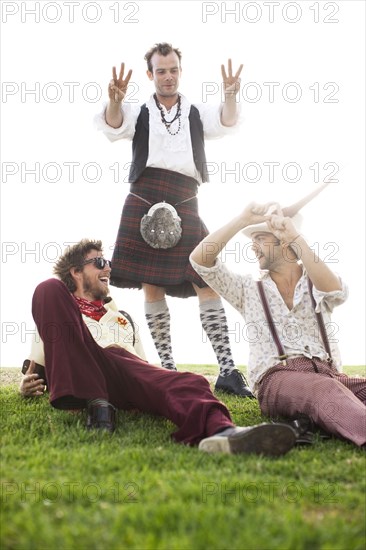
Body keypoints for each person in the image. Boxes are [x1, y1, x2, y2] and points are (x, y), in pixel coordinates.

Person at [19, 239, 297, 456]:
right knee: (47, 288)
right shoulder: (58, 309)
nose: (108, 268)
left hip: (120, 373)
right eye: (99, 262)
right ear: (76, 271)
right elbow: (38, 368)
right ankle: (95, 403)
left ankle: (224, 433)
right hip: (82, 377)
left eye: (108, 262)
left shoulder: (122, 319)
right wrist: (25, 385)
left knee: (189, 381)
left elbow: (142, 370)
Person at [94, 42, 253, 398]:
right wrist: (116, 100)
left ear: (181, 71)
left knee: (205, 276)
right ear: (150, 75)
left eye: (173, 70)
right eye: (161, 71)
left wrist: (229, 94)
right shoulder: (139, 112)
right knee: (153, 283)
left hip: (186, 197)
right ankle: (167, 369)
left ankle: (227, 370)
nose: (168, 76)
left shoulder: (195, 112)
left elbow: (227, 121)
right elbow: (114, 125)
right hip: (145, 193)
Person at [190, 202, 366, 448]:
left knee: (339, 388)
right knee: (323, 390)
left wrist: (295, 237)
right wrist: (242, 219)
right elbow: (200, 260)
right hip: (277, 379)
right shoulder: (247, 289)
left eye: (260, 238)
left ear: (284, 242)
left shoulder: (315, 280)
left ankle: (322, 420)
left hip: (329, 374)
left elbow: (336, 291)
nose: (252, 246)